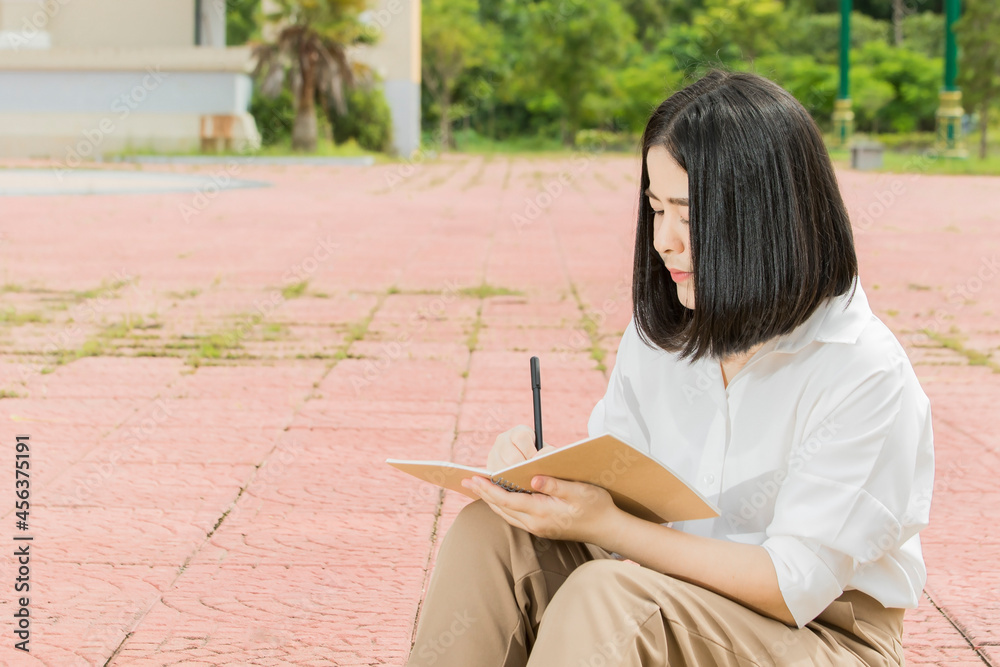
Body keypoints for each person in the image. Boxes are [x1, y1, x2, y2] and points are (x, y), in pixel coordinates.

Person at [404, 69, 934, 666]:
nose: (663, 241)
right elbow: (625, 494)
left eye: (687, 214)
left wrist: (607, 526)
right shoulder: (661, 336)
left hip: (823, 635)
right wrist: (542, 482)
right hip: (669, 591)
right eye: (656, 210)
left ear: (766, 217)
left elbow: (794, 585)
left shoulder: (863, 369)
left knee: (611, 600)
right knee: (492, 533)